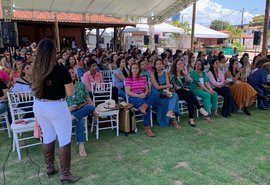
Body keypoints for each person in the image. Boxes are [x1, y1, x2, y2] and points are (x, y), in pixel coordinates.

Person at [32, 38, 80, 183]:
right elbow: (71, 93)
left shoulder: (35, 68)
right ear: (53, 52)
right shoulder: (60, 70)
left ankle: (50, 167)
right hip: (56, 107)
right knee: (64, 139)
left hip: (39, 106)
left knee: (48, 136)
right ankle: (65, 174)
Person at [66, 66, 96, 157]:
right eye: (69, 73)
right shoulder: (62, 87)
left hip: (82, 107)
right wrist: (69, 108)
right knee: (80, 120)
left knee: (91, 107)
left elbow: (88, 98)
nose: (72, 74)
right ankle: (81, 145)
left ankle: (74, 116)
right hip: (69, 110)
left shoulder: (81, 84)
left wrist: (94, 110)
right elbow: (59, 104)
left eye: (72, 72)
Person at [170, 58, 210, 126]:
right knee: (190, 93)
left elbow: (190, 81)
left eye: (181, 64)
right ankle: (200, 108)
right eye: (178, 64)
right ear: (175, 65)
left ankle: (191, 119)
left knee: (190, 99)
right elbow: (178, 87)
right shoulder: (173, 75)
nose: (180, 65)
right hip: (176, 94)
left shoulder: (183, 74)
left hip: (185, 93)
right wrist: (186, 87)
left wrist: (186, 74)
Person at [125, 63, 158, 137]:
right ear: (131, 70)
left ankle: (144, 106)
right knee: (147, 106)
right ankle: (147, 128)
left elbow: (147, 89)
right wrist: (139, 95)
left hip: (143, 95)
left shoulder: (143, 79)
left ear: (139, 69)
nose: (135, 69)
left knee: (155, 94)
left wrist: (145, 94)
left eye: (136, 68)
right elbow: (128, 92)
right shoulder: (128, 79)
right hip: (133, 97)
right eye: (133, 68)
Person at [150, 58, 180, 128]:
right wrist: (167, 86)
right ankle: (173, 120)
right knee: (171, 98)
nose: (159, 65)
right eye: (157, 64)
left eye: (160, 63)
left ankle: (170, 113)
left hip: (164, 92)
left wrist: (167, 91)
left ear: (163, 65)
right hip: (157, 94)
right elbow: (157, 87)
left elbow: (168, 85)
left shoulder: (166, 73)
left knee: (174, 95)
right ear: (155, 66)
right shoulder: (152, 74)